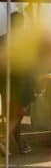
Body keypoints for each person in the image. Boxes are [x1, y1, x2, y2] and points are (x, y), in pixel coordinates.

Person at [1, 12, 34, 154]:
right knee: (18, 115)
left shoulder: (2, 39)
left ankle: (16, 144)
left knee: (12, 115)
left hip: (4, 83)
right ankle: (5, 141)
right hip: (19, 84)